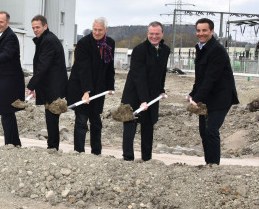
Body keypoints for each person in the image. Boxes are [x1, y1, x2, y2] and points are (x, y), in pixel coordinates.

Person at [187, 18, 239, 165]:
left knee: (211, 130)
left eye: (204, 30)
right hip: (207, 98)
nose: (201, 33)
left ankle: (214, 166)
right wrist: (193, 93)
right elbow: (200, 77)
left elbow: (211, 78)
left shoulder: (217, 50)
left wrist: (197, 98)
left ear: (212, 31)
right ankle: (208, 164)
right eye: (198, 30)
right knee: (204, 132)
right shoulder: (201, 48)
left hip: (221, 98)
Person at [121, 21, 170, 161]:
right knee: (130, 124)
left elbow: (162, 72)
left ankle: (147, 159)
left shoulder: (165, 50)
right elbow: (139, 77)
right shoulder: (139, 50)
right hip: (134, 93)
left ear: (162, 34)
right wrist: (143, 100)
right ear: (147, 34)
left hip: (152, 95)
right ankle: (128, 158)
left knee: (148, 125)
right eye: (151, 34)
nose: (154, 36)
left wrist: (161, 89)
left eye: (157, 34)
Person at [67, 17, 115, 155]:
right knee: (81, 121)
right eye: (95, 29)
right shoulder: (83, 43)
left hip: (98, 89)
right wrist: (86, 91)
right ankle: (79, 152)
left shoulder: (110, 43)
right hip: (81, 87)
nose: (97, 32)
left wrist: (110, 85)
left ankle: (96, 152)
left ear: (106, 30)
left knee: (96, 121)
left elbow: (109, 66)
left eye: (100, 30)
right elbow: (83, 69)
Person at [26, 15, 67, 150]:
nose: (35, 30)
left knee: (51, 118)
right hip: (52, 85)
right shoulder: (46, 39)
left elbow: (43, 66)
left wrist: (31, 86)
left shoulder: (48, 41)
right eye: (33, 28)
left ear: (45, 26)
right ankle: (52, 146)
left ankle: (53, 147)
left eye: (38, 27)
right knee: (51, 118)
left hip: (53, 86)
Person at [0, 11, 25, 146]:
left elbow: (7, 55)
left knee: (7, 113)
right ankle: (14, 143)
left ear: (7, 23)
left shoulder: (11, 37)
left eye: (1, 22)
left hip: (9, 81)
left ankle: (9, 144)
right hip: (1, 79)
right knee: (7, 114)